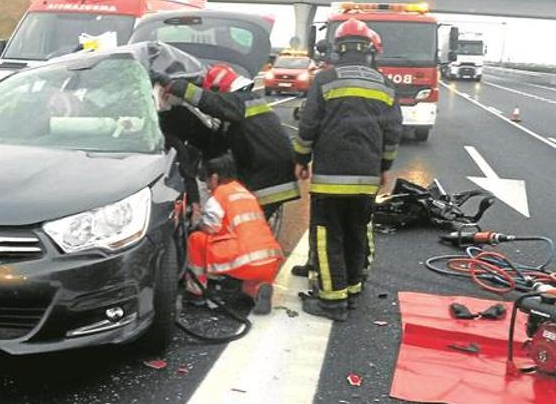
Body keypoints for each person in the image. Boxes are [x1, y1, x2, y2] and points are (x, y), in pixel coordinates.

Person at [293, 18, 403, 321]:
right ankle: (352, 289)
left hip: (330, 178)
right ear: (370, 51)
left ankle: (331, 302)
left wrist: (301, 159)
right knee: (357, 233)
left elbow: (308, 125)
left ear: (338, 50)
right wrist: (384, 167)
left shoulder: (325, 81)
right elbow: (393, 133)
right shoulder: (385, 85)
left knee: (328, 237)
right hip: (367, 178)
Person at [164, 64, 299, 220]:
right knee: (246, 221)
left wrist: (177, 87)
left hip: (268, 174)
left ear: (218, 89)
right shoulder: (243, 104)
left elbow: (210, 102)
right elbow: (220, 144)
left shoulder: (241, 102)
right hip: (273, 170)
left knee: (242, 222)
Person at [186, 155, 285, 314]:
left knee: (196, 239)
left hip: (243, 259)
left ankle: (196, 293)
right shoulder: (246, 194)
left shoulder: (220, 195)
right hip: (270, 260)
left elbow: (211, 228)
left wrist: (197, 225)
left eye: (207, 180)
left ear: (215, 177)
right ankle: (259, 289)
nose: (207, 185)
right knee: (248, 286)